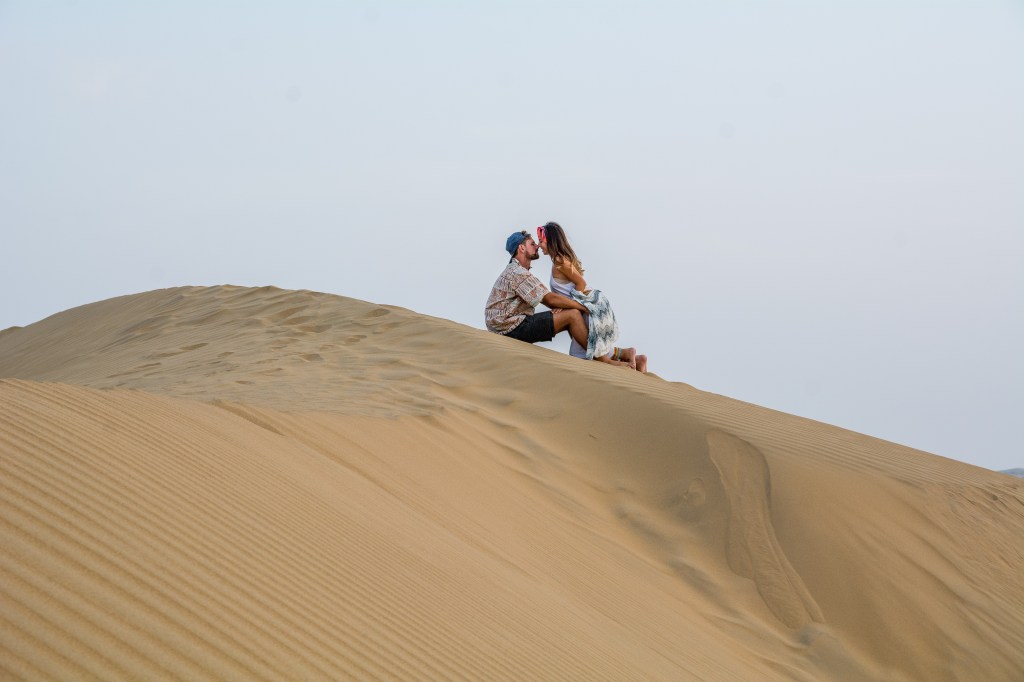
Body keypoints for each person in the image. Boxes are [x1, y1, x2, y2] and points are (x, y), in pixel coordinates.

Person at [537, 221, 648, 373]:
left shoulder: (559, 261)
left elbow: (581, 283)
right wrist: (563, 306)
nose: (539, 245)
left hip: (589, 307)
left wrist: (570, 306)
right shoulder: (559, 260)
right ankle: (633, 356)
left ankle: (626, 367)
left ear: (551, 241)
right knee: (590, 349)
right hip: (587, 306)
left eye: (541, 241)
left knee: (581, 357)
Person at [484, 230, 591, 349]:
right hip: (510, 328)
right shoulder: (517, 272)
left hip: (507, 327)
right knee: (573, 315)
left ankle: (586, 354)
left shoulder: (514, 270)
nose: (537, 246)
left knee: (567, 316)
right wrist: (583, 307)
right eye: (532, 244)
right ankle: (597, 357)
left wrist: (560, 306)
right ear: (521, 248)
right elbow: (550, 299)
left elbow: (548, 299)